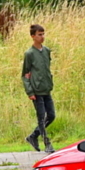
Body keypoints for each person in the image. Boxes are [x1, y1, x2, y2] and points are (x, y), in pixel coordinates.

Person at [21, 24, 56, 154]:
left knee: (51, 115)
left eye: (43, 34)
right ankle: (47, 143)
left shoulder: (46, 51)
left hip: (46, 88)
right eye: (39, 34)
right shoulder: (29, 54)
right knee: (41, 117)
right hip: (36, 90)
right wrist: (29, 91)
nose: (42, 37)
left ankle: (33, 136)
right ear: (33, 36)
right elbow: (25, 74)